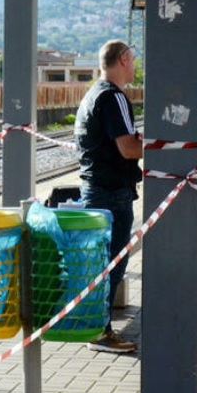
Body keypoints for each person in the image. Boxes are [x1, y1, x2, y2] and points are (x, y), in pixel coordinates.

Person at [75, 39, 143, 354]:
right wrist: (160, 146)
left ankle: (95, 326)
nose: (135, 65)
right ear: (124, 59)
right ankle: (99, 331)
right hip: (111, 193)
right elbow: (128, 148)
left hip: (95, 189)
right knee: (111, 264)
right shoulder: (113, 97)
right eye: (133, 60)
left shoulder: (93, 93)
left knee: (98, 264)